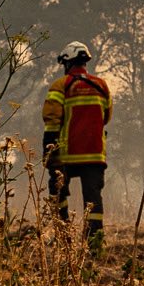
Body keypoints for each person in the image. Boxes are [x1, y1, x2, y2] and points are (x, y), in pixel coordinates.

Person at [42, 40, 112, 248]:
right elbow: (106, 116)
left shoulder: (61, 85)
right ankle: (95, 243)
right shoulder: (101, 85)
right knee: (93, 199)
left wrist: (49, 149)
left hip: (66, 153)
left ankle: (64, 239)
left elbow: (51, 119)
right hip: (94, 154)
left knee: (57, 192)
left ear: (67, 63)